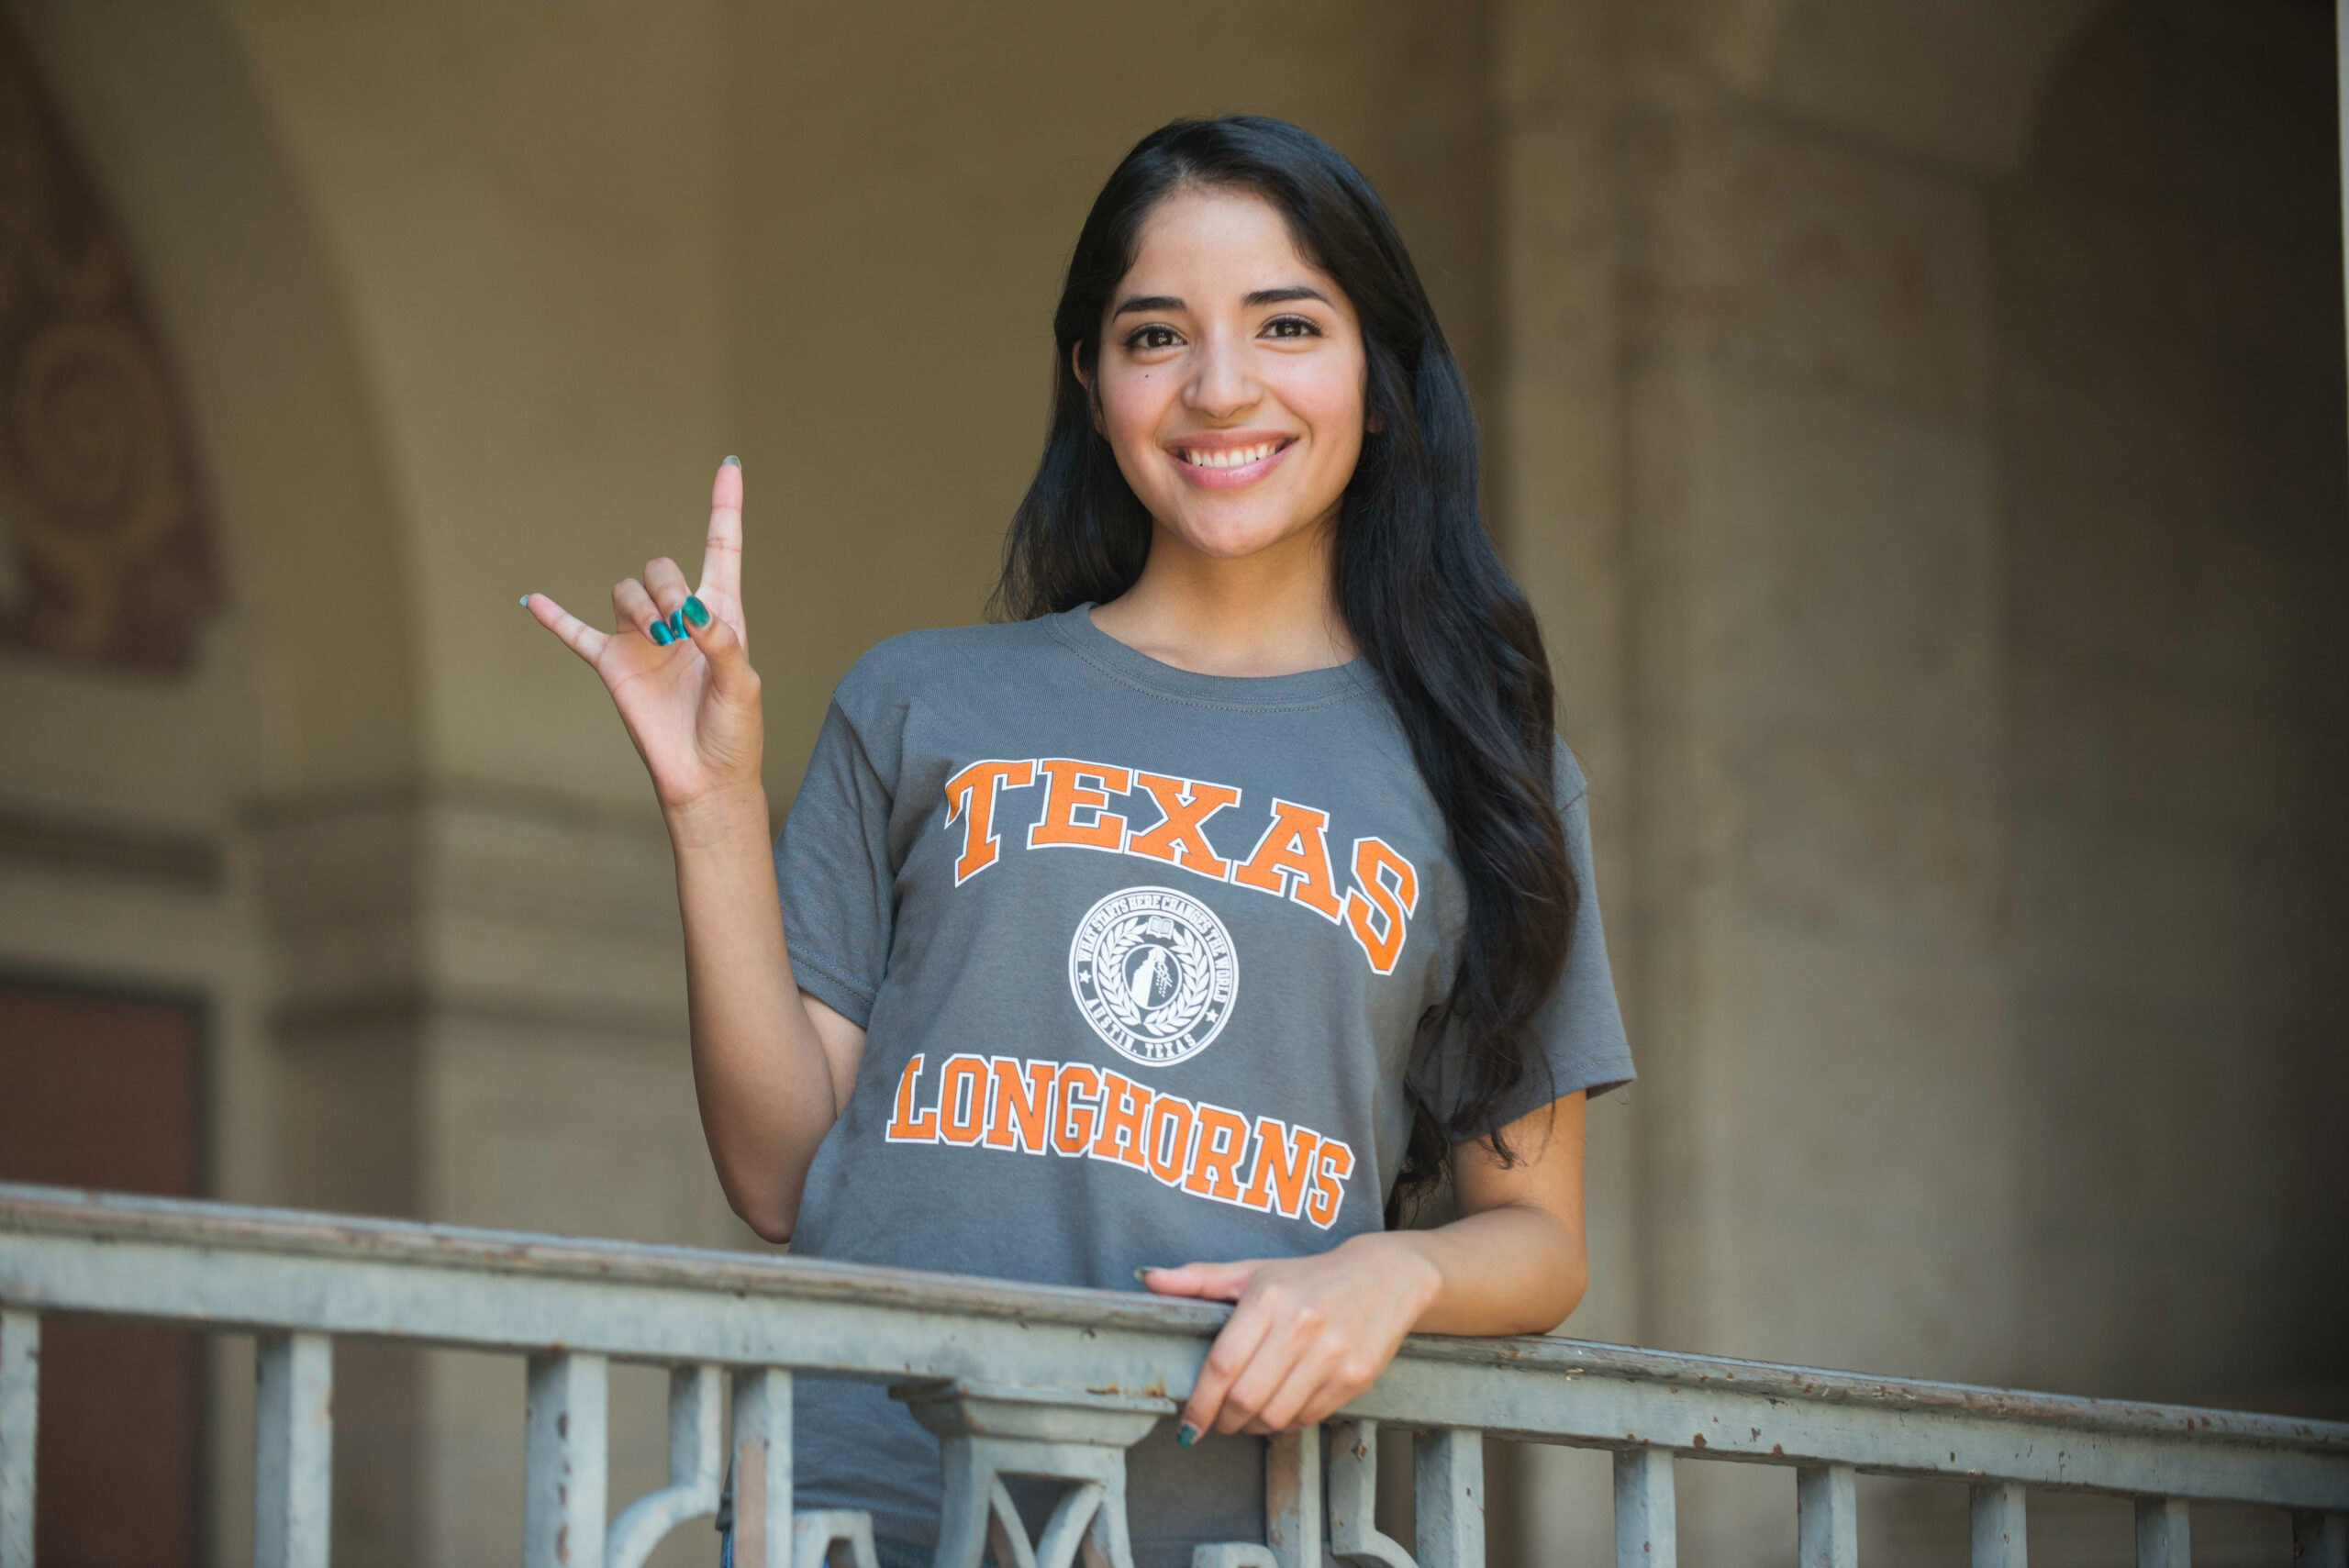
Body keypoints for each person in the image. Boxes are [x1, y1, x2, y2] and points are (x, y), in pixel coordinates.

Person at [524, 115, 1632, 1568]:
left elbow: (1539, 1238)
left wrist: (1394, 1270)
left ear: (1378, 366)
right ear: (1090, 380)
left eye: (1287, 324)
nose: (1220, 388)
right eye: (1155, 335)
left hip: (1229, 1524)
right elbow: (786, 1175)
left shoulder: (1485, 768)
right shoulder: (925, 699)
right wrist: (709, 802)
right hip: (864, 1513)